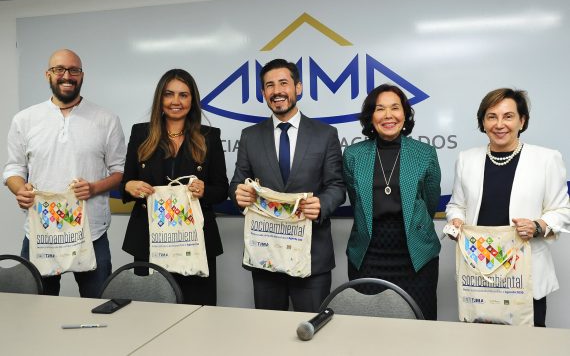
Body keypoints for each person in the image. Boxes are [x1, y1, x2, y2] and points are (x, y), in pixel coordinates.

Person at [3, 49, 126, 297]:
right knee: (35, 309)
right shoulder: (24, 119)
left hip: (91, 232)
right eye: (59, 69)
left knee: (100, 306)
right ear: (48, 74)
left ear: (82, 75)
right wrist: (20, 189)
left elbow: (119, 171)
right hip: (41, 232)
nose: (66, 76)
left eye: (74, 70)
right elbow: (14, 169)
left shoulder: (106, 119)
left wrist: (93, 188)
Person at [446, 88, 570, 327]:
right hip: (478, 276)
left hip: (525, 277)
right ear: (483, 122)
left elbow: (562, 211)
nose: (499, 124)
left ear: (522, 121)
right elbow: (456, 205)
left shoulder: (546, 159)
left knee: (527, 348)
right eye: (491, 116)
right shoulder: (466, 159)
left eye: (508, 116)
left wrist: (538, 226)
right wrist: (456, 220)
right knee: (476, 345)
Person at [229, 58, 345, 312]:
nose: (277, 91)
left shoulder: (325, 134)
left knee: (312, 332)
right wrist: (239, 194)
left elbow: (337, 186)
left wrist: (322, 204)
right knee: (269, 335)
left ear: (298, 88)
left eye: (284, 83)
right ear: (263, 94)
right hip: (265, 256)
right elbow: (237, 182)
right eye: (269, 86)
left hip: (312, 257)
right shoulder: (250, 136)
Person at [121, 69, 228, 305]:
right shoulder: (141, 133)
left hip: (196, 242)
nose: (176, 101)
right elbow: (125, 182)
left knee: (198, 315)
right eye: (169, 94)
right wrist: (131, 185)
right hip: (149, 240)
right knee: (150, 315)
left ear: (193, 100)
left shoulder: (209, 136)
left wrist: (204, 190)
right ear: (160, 98)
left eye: (183, 95)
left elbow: (221, 189)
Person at [342, 84, 441, 320]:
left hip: (416, 255)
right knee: (369, 324)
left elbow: (430, 202)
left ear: (405, 114)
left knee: (419, 322)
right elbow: (357, 201)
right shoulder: (353, 155)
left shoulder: (424, 153)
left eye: (395, 108)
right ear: (371, 117)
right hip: (368, 254)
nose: (388, 115)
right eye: (380, 109)